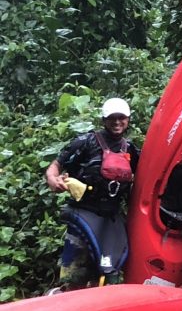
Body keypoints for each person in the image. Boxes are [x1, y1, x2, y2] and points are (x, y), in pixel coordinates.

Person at [44, 97, 140, 289]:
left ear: (128, 120)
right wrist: (53, 179)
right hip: (84, 214)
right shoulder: (86, 142)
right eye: (112, 118)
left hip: (111, 218)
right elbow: (56, 165)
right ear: (104, 120)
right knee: (74, 277)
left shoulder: (130, 149)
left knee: (108, 273)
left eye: (121, 118)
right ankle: (68, 298)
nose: (117, 122)